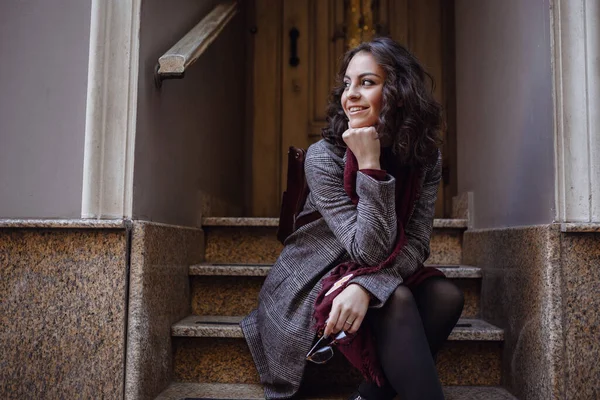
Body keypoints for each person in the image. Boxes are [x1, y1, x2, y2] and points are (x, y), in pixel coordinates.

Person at [241, 37, 464, 400]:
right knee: (399, 299)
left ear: (399, 92)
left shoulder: (425, 159)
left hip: (364, 273)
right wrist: (370, 166)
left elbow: (417, 245)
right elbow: (369, 250)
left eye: (367, 82)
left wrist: (365, 287)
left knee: (446, 295)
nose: (351, 95)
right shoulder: (323, 156)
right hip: (312, 280)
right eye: (347, 84)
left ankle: (369, 396)